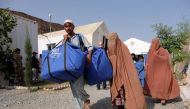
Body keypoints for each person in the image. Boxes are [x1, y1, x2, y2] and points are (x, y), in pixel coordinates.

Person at [107, 32, 146, 109]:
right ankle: (120, 106)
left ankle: (128, 105)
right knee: (118, 92)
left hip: (124, 76)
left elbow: (128, 63)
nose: (112, 43)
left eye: (113, 40)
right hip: (114, 75)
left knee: (123, 91)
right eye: (110, 40)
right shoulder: (110, 48)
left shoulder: (123, 48)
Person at [63, 19, 92, 109]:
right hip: (69, 67)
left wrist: (89, 56)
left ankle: (86, 98)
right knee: (74, 90)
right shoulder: (65, 38)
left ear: (73, 27)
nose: (68, 28)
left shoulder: (79, 37)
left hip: (79, 66)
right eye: (66, 26)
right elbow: (63, 52)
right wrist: (65, 41)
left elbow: (90, 47)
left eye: (69, 26)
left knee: (78, 86)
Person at [145, 37, 180, 105]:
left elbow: (166, 59)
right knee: (155, 85)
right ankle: (158, 96)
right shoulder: (151, 50)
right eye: (152, 43)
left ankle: (163, 98)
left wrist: (156, 57)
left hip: (163, 71)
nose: (153, 44)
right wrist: (147, 66)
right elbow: (149, 60)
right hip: (154, 72)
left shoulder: (163, 50)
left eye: (155, 43)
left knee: (163, 84)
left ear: (158, 43)